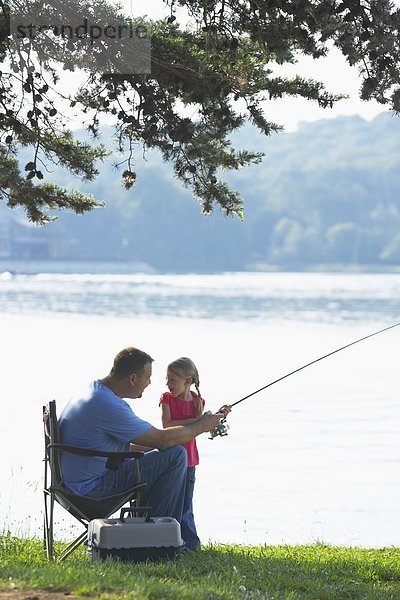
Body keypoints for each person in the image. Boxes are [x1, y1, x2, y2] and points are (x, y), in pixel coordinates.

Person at [58, 346, 230, 547]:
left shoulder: (93, 391)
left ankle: (153, 534)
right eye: (147, 377)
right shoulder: (110, 406)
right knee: (176, 455)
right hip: (90, 492)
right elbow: (161, 439)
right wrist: (202, 425)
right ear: (132, 378)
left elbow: (130, 445)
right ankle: (161, 540)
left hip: (73, 484)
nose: (150, 383)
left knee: (167, 453)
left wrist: (158, 451)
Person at [160, 357, 213, 551]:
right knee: (173, 502)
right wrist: (199, 421)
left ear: (188, 381)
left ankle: (191, 545)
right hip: (171, 460)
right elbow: (167, 425)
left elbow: (204, 427)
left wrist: (214, 417)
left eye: (172, 380)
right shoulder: (166, 398)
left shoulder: (199, 402)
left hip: (190, 461)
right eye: (167, 379)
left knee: (186, 505)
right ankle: (171, 540)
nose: (168, 384)